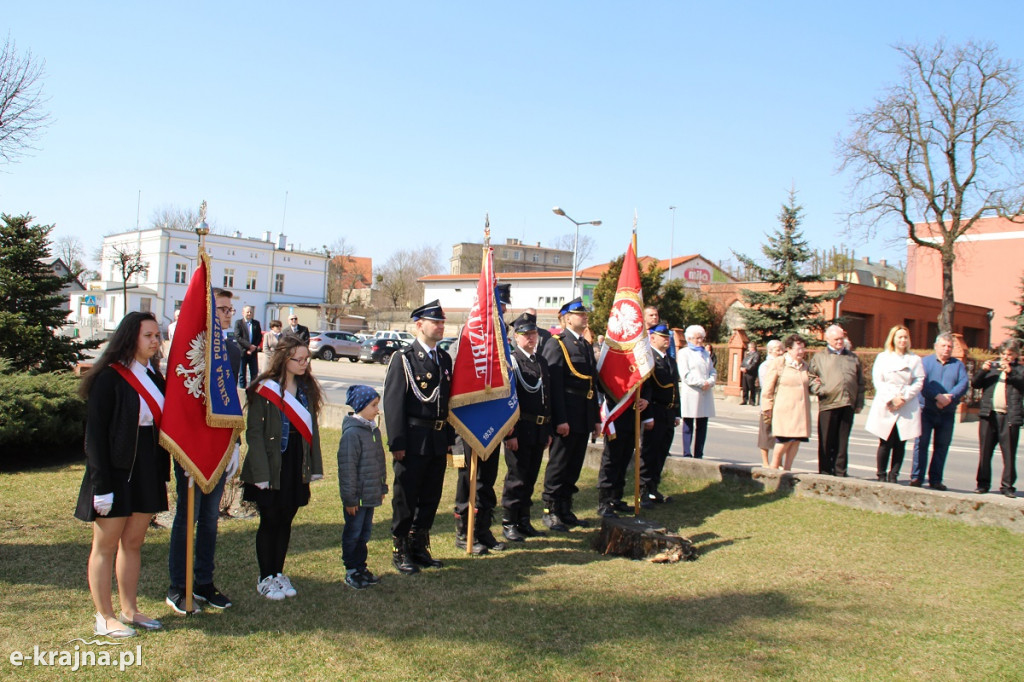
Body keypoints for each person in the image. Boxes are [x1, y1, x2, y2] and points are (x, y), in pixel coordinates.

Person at [74, 311, 169, 637]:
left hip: (146, 468)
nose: (155, 341)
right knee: (106, 545)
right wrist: (101, 484)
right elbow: (96, 436)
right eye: (149, 335)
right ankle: (105, 616)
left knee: (133, 542)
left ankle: (130, 609)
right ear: (131, 337)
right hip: (113, 471)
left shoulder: (156, 378)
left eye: (157, 335)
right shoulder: (109, 378)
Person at [166, 289, 239, 614]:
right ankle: (178, 586)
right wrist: (182, 449)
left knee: (210, 519)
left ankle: (204, 582)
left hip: (219, 448)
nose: (228, 315)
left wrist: (235, 444)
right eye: (222, 309)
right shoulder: (187, 349)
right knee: (188, 516)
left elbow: (231, 402)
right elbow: (180, 401)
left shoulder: (231, 351)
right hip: (190, 449)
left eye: (230, 309)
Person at [240, 335, 324, 600]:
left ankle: (278, 573)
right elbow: (254, 433)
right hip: (270, 466)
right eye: (298, 359)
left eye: (306, 359)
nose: (304, 363)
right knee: (270, 519)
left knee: (286, 519)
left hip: (295, 464)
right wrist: (261, 473)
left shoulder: (306, 388)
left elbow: (313, 431)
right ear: (284, 359)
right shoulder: (264, 388)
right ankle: (265, 576)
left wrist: (315, 466)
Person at [382, 300, 455, 574]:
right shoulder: (404, 358)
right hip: (412, 438)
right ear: (419, 325)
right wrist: (397, 442)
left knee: (430, 495)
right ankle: (400, 548)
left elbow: (445, 402)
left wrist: (448, 437)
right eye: (435, 322)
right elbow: (393, 402)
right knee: (406, 495)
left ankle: (419, 544)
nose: (440, 326)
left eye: (442, 322)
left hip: (436, 439)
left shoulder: (444, 359)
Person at [453, 283, 512, 555]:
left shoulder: (501, 346)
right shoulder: (464, 343)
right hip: (465, 426)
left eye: (502, 310)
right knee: (468, 480)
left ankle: (484, 530)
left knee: (487, 480)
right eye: (497, 309)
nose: (501, 315)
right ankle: (464, 532)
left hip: (492, 422)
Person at [540, 297, 601, 531]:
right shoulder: (557, 343)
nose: (585, 317)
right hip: (566, 414)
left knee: (574, 464)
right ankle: (550, 510)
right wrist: (560, 419)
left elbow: (591, 385)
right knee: (559, 463)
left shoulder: (584, 345)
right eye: (580, 314)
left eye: (585, 314)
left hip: (583, 414)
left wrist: (595, 418)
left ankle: (565, 509)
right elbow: (553, 385)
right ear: (567, 318)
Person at [500, 313, 553, 542]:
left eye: (533, 333)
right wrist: (509, 433)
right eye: (525, 334)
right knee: (517, 477)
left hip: (539, 429)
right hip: (520, 429)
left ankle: (524, 519)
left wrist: (548, 429)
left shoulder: (540, 361)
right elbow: (508, 399)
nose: (531, 338)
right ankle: (509, 521)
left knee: (530, 477)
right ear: (515, 336)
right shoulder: (512, 361)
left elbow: (546, 396)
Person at [337, 385, 387, 589]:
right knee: (353, 533)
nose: (377, 410)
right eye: (374, 405)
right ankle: (351, 569)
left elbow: (379, 462)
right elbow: (347, 470)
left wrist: (381, 487)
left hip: (370, 495)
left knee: (364, 534)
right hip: (356, 499)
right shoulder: (352, 435)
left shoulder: (372, 430)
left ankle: (361, 566)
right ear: (360, 406)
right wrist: (350, 499)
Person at [865, 326, 925, 483]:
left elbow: (919, 380)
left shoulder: (914, 359)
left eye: (905, 337)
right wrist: (891, 399)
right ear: (893, 339)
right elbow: (878, 380)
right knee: (885, 441)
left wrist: (904, 397)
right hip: (888, 403)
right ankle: (881, 474)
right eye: (899, 337)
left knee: (900, 442)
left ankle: (894, 475)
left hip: (906, 403)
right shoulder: (883, 358)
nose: (903, 340)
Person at [910, 333, 969, 489]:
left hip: (947, 413)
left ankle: (935, 480)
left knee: (942, 446)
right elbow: (922, 382)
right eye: (943, 346)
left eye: (949, 346)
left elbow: (963, 384)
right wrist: (937, 396)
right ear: (936, 346)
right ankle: (917, 477)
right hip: (927, 410)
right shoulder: (926, 362)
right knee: (921, 444)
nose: (946, 349)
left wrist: (950, 397)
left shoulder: (958, 365)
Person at [808, 324, 865, 476]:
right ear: (827, 339)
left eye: (842, 338)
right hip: (828, 404)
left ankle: (840, 471)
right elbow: (811, 377)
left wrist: (859, 403)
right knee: (826, 441)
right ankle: (825, 471)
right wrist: (820, 390)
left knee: (843, 441)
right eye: (836, 339)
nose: (840, 342)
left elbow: (860, 382)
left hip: (847, 403)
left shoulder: (852, 358)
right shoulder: (820, 357)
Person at [972, 339, 1024, 498]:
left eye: (1009, 354)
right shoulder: (993, 369)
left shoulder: (1020, 370)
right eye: (1003, 354)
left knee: (1008, 453)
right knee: (985, 452)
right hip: (989, 415)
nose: (1005, 357)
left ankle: (1007, 486)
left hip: (1008, 417)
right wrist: (983, 370)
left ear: (1015, 355)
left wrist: (1011, 373)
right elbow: (975, 384)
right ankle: (982, 484)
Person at [638, 323, 680, 506]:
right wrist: (647, 415)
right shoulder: (649, 359)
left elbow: (675, 388)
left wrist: (677, 412)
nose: (666, 339)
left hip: (668, 412)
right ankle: (643, 489)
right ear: (652, 338)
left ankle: (654, 487)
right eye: (663, 337)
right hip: (654, 409)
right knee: (649, 452)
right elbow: (646, 389)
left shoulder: (670, 360)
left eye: (667, 337)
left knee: (662, 451)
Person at [761, 334, 812, 471]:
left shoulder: (805, 366)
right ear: (788, 349)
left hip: (801, 410)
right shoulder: (779, 363)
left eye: (803, 349)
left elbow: (809, 385)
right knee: (784, 441)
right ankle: (773, 468)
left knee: (796, 441)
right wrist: (767, 407)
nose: (801, 352)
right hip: (784, 410)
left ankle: (787, 470)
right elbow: (768, 388)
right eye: (798, 349)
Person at [677, 325, 716, 458]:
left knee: (702, 424)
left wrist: (710, 381)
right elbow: (685, 374)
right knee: (688, 423)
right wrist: (701, 383)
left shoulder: (705, 353)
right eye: (697, 338)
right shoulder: (684, 353)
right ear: (689, 338)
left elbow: (712, 370)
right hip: (692, 392)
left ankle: (699, 453)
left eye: (701, 338)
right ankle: (687, 453)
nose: (700, 341)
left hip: (705, 392)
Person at [757, 339, 784, 466]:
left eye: (781, 349)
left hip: (782, 403)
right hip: (769, 403)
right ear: (770, 351)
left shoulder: (784, 364)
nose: (781, 352)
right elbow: (765, 386)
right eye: (778, 350)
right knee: (766, 433)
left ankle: (778, 462)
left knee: (782, 434)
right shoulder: (765, 365)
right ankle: (765, 462)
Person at [235, 306, 263, 388]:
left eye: (251, 312)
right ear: (243, 313)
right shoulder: (239, 323)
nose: (249, 314)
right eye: (247, 312)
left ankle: (253, 392)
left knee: (254, 374)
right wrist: (249, 346)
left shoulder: (256, 323)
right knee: (242, 374)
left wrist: (253, 347)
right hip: (242, 352)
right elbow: (238, 336)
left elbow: (259, 336)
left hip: (253, 353)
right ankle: (242, 392)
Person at [739, 341, 762, 406]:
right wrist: (741, 367)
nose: (748, 348)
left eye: (749, 347)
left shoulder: (756, 354)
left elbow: (754, 364)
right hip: (745, 373)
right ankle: (744, 400)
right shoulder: (748, 354)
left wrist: (747, 369)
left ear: (752, 347)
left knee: (751, 387)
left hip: (751, 373)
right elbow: (743, 362)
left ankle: (752, 400)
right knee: (745, 387)